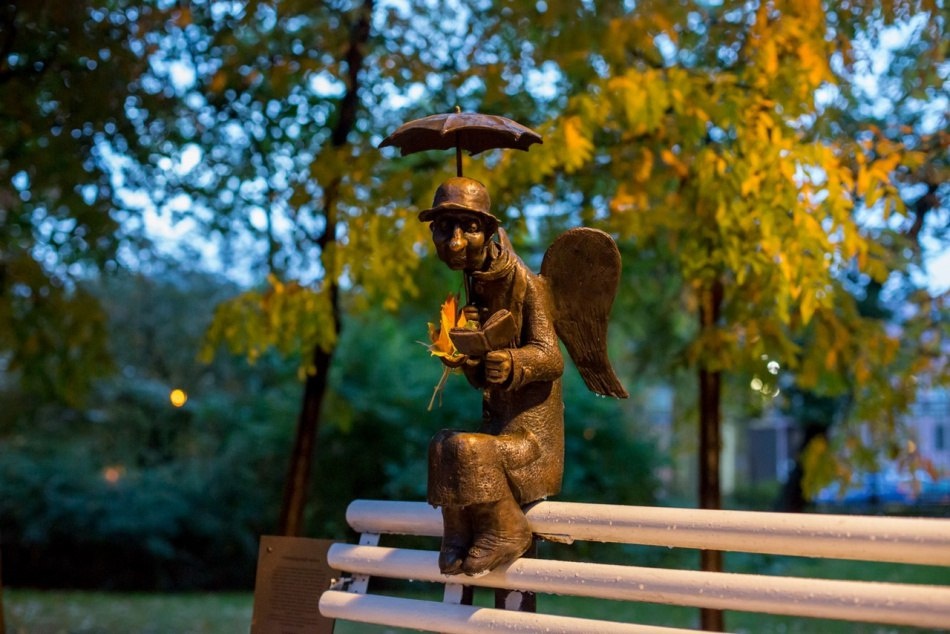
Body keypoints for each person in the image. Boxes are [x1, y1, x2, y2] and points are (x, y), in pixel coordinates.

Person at [419, 176, 565, 576]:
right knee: (442, 444)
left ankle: (509, 530)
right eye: (444, 229)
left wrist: (514, 363)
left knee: (468, 449)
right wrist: (469, 360)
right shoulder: (477, 288)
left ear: (487, 230)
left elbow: (552, 358)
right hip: (501, 436)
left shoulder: (526, 285)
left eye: (467, 228)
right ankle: (458, 532)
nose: (455, 242)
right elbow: (484, 382)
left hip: (533, 445)